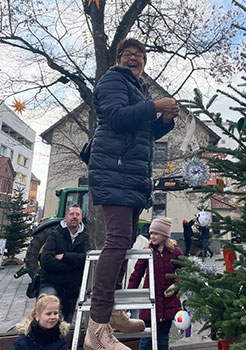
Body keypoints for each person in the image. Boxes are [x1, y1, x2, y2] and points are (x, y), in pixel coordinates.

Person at [85, 38, 179, 350]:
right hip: (114, 170)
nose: (134, 58)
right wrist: (155, 106)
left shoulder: (138, 90)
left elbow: (142, 131)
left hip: (131, 175)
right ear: (119, 59)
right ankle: (96, 327)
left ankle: (112, 311)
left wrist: (163, 121)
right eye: (128, 54)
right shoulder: (113, 79)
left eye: (139, 55)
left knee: (126, 240)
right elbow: (116, 117)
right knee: (117, 239)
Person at [128, 218, 183, 350]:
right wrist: (130, 295)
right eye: (151, 233)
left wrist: (176, 284)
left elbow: (183, 271)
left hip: (168, 303)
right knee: (146, 339)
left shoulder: (175, 252)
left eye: (155, 233)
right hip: (150, 302)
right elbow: (136, 275)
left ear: (165, 235)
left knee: (163, 338)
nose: (152, 236)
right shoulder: (147, 251)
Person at [39, 204, 90, 323]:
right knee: (48, 311)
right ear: (66, 217)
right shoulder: (55, 234)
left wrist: (64, 256)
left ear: (81, 218)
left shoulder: (85, 237)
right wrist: (74, 265)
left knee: (66, 323)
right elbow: (46, 261)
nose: (74, 217)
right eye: (71, 214)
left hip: (72, 288)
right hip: (52, 283)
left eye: (77, 214)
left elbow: (86, 260)